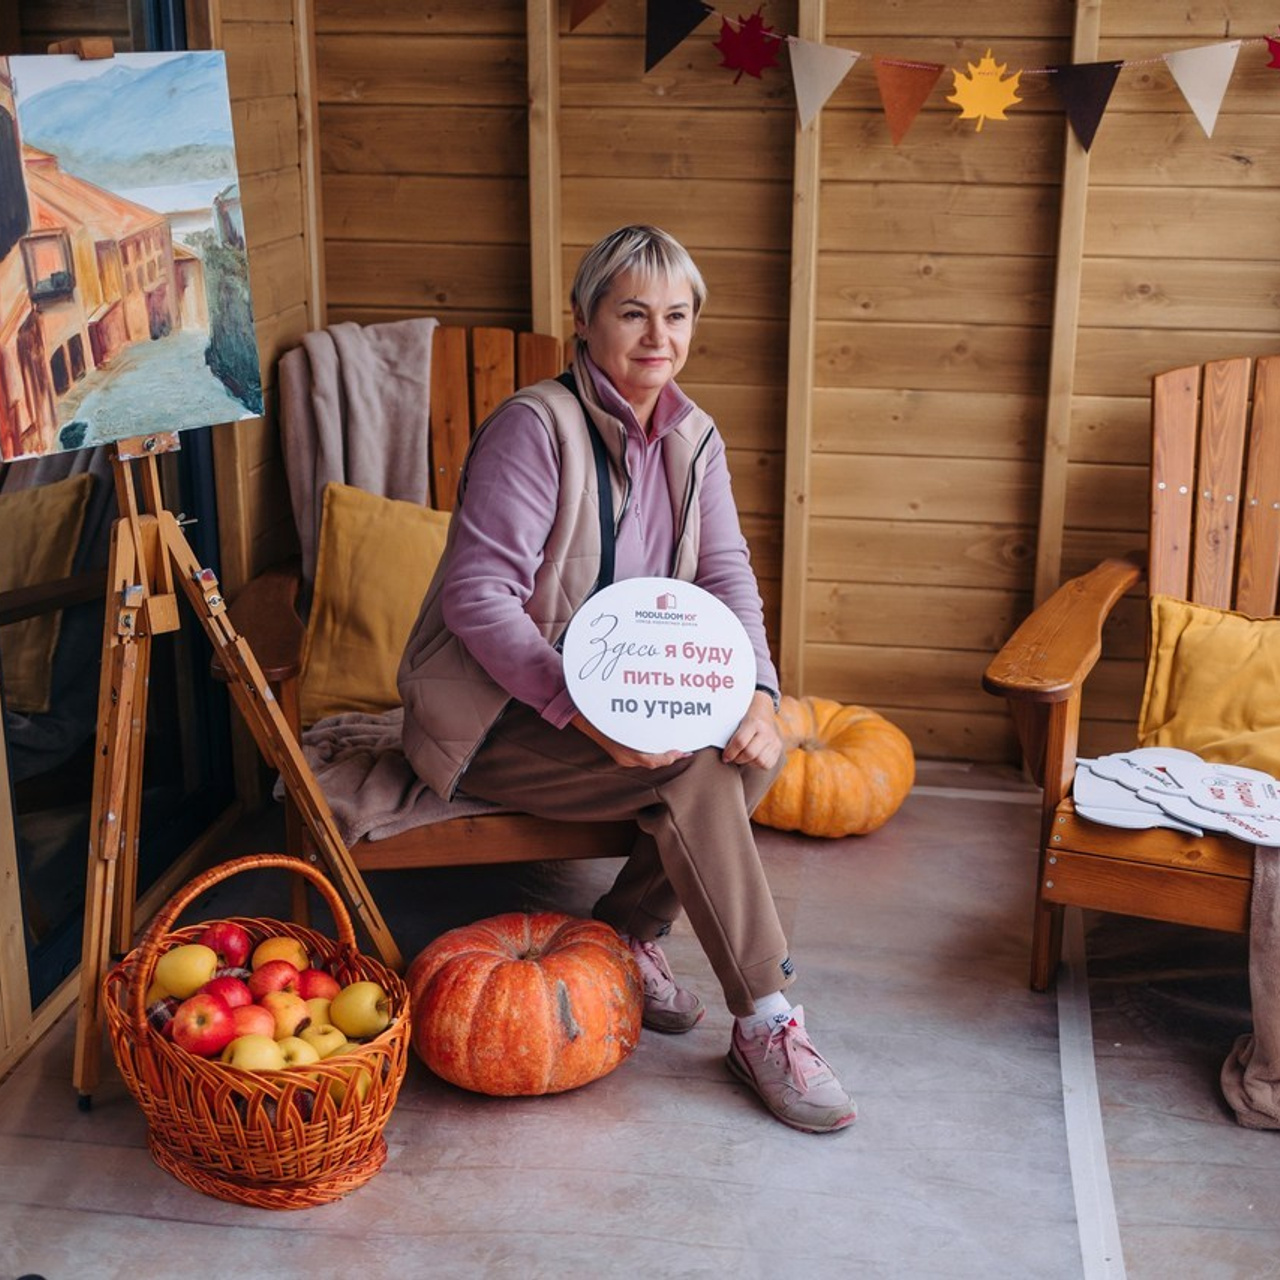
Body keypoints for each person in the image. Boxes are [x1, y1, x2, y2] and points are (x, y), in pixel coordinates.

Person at [398, 225, 855, 1134]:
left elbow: (727, 578)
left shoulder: (694, 436)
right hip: (496, 714)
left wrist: (760, 692)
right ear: (584, 319)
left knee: (749, 751)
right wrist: (578, 710)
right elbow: (479, 598)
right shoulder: (536, 428)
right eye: (633, 313)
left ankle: (621, 938)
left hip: (632, 697)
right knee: (693, 771)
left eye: (677, 316)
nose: (658, 336)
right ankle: (767, 1018)